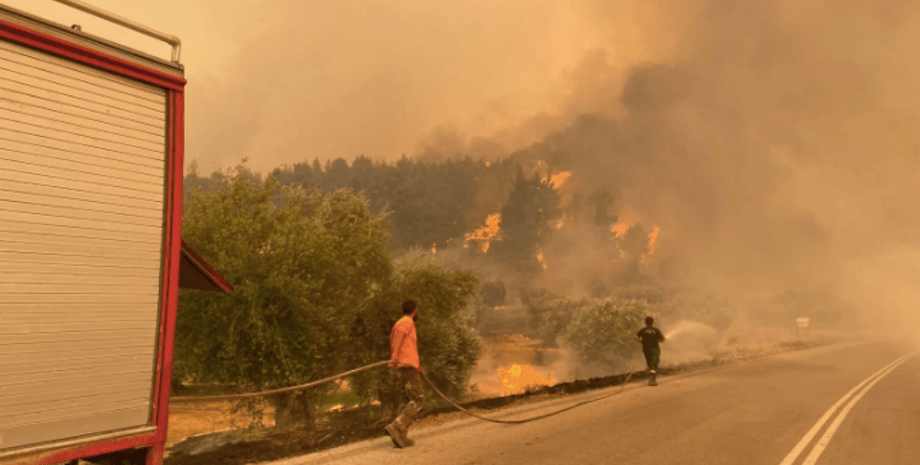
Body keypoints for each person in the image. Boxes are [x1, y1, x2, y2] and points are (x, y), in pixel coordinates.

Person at [384, 299, 425, 448]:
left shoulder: (399, 323)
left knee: (404, 400)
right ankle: (397, 426)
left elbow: (408, 347)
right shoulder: (407, 322)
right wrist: (395, 358)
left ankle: (400, 437)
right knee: (417, 399)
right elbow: (400, 342)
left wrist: (418, 365)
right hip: (407, 366)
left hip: (405, 366)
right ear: (414, 310)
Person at [635, 316, 666, 386]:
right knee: (654, 364)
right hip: (655, 349)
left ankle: (651, 378)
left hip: (646, 350)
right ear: (652, 322)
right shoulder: (656, 330)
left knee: (649, 363)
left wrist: (640, 341)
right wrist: (659, 340)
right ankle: (652, 380)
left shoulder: (643, 330)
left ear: (645, 322)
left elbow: (635, 337)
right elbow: (663, 339)